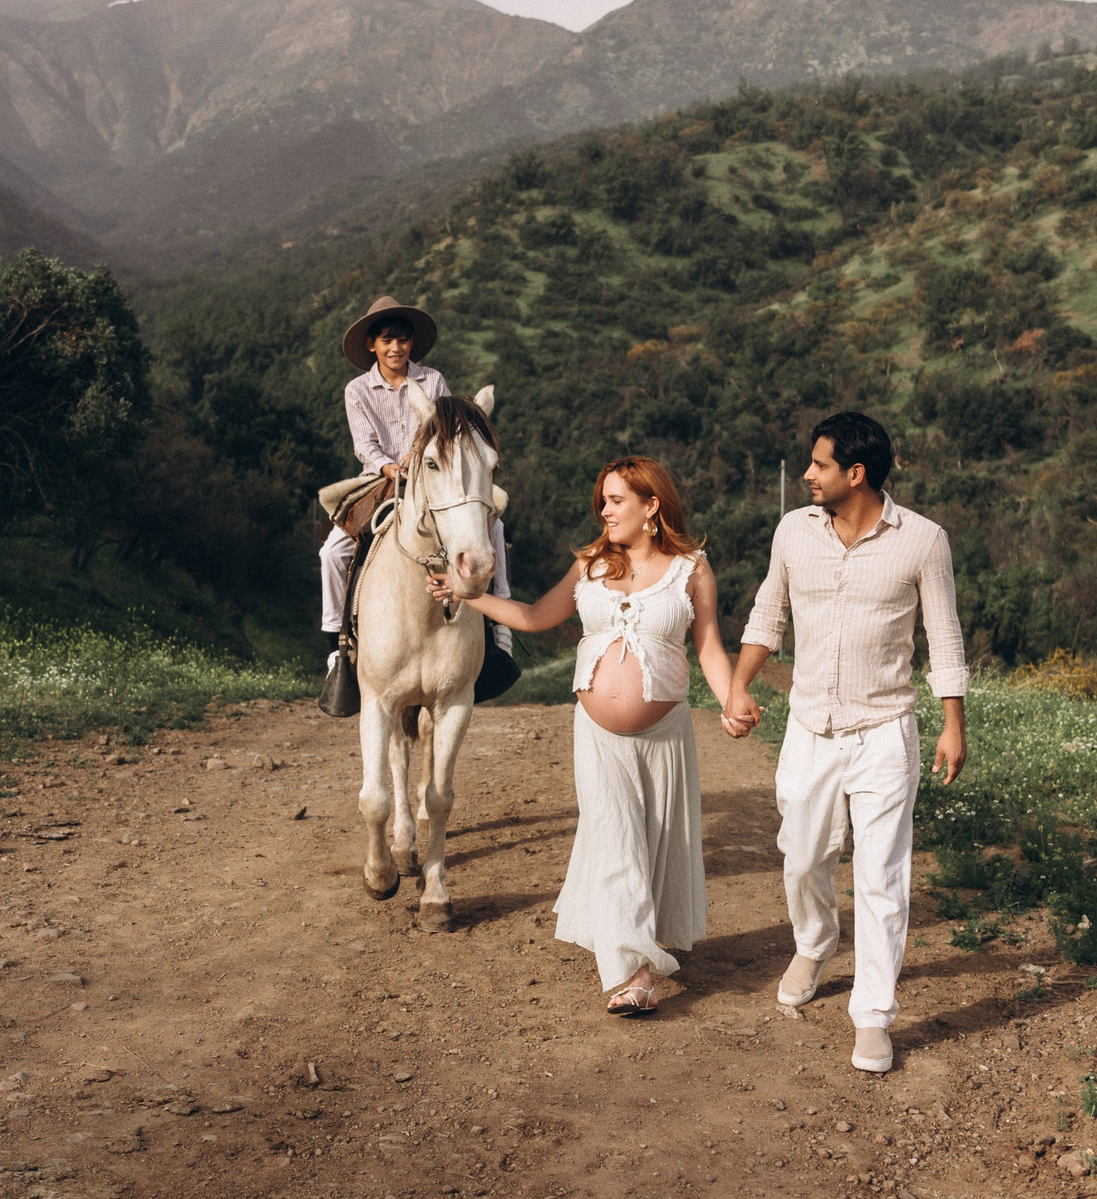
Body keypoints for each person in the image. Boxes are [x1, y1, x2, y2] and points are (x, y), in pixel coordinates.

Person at [437, 457, 736, 1015]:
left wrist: (731, 700)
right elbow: (530, 616)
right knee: (616, 838)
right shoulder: (589, 564)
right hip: (597, 734)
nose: (604, 509)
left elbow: (710, 645)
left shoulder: (692, 569)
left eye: (616, 500)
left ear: (651, 506)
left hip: (666, 733)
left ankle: (641, 936)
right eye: (602, 499)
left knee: (655, 843)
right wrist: (466, 595)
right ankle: (636, 973)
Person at [721, 412, 968, 1075]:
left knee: (883, 877)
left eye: (818, 465)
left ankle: (873, 1014)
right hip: (809, 728)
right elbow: (768, 612)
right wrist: (739, 684)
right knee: (803, 858)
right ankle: (816, 940)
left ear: (854, 474)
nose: (807, 474)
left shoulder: (922, 540)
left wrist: (953, 722)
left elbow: (943, 635)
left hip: (886, 731)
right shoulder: (793, 533)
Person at [321, 294, 512, 653]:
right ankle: (337, 638)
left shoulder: (433, 379)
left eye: (403, 340)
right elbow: (363, 443)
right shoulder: (357, 389)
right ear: (372, 345)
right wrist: (387, 465)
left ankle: (498, 619)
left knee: (495, 524)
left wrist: (417, 455)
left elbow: (447, 428)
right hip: (380, 479)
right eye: (387, 341)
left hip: (431, 471)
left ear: (412, 343)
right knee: (333, 552)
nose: (396, 348)